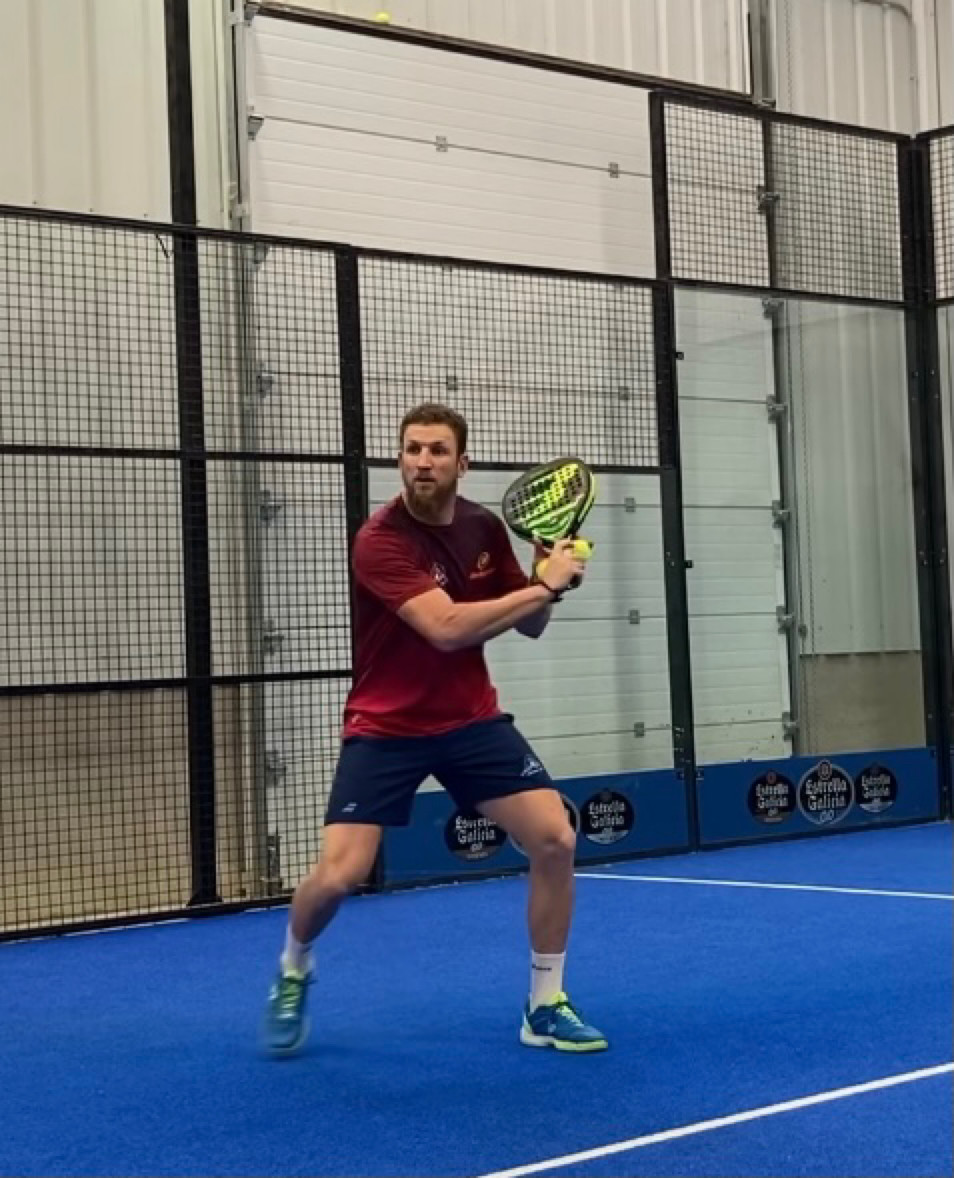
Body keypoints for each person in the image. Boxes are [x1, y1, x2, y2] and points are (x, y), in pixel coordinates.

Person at [263, 402, 607, 1055]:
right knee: (340, 874)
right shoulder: (379, 540)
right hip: (386, 725)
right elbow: (445, 628)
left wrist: (549, 582)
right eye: (413, 449)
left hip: (469, 719)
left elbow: (530, 626)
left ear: (461, 463)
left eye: (437, 451)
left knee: (555, 838)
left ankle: (544, 1004)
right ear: (401, 459)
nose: (423, 461)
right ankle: (294, 965)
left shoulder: (483, 528)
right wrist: (542, 589)